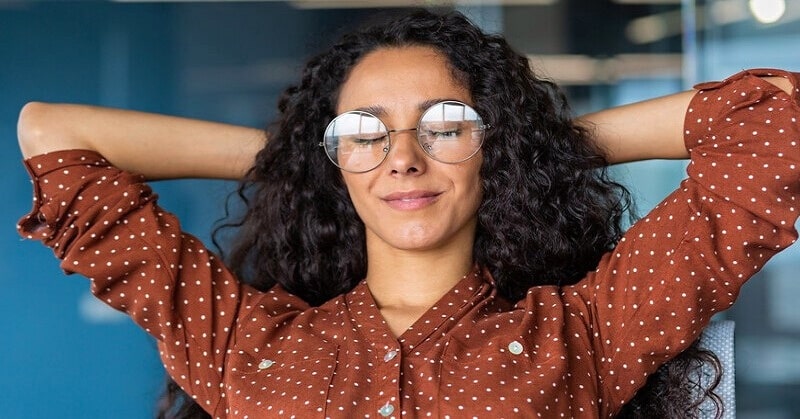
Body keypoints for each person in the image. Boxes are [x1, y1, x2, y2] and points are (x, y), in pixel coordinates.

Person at [15, 9, 799, 419]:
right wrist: (303, 150)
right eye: (363, 132)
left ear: (495, 145)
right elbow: (53, 134)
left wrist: (533, 142)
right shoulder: (241, 341)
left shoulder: (584, 334)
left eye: (446, 123)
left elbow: (776, 122)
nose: (403, 157)